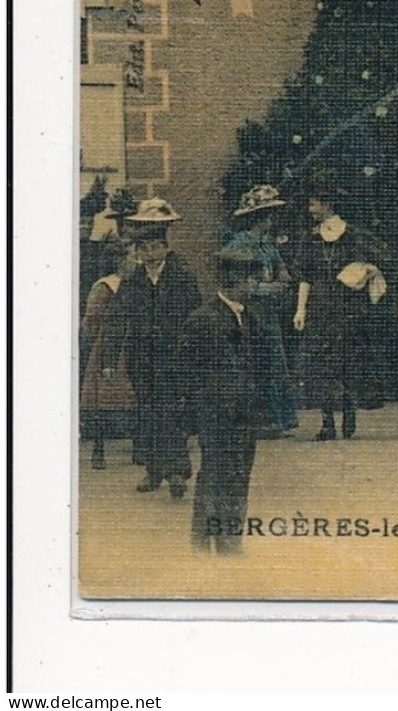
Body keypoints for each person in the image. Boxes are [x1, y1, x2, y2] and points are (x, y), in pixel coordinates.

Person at [179, 247, 270, 554]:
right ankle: (204, 543)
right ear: (234, 281)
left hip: (245, 415)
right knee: (215, 477)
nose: (254, 286)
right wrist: (200, 413)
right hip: (216, 417)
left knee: (239, 477)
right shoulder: (203, 320)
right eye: (250, 280)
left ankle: (231, 541)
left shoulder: (251, 318)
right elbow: (186, 372)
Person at [112, 200, 200, 498]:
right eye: (143, 249)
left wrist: (190, 352)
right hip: (141, 358)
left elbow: (194, 317)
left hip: (173, 357)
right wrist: (112, 360)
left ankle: (177, 472)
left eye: (154, 248)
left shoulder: (182, 276)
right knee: (147, 414)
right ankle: (153, 470)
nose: (149, 254)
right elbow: (119, 318)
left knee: (172, 413)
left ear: (165, 248)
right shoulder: (133, 280)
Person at [293, 182, 385, 442]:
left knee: (348, 360)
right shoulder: (311, 238)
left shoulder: (352, 235)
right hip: (321, 305)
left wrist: (365, 271)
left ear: (327, 204)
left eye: (314, 203)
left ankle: (349, 410)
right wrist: (300, 310)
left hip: (349, 305)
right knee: (322, 363)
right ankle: (327, 421)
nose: (310, 209)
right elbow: (305, 277)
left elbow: (377, 257)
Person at [223, 185, 298, 437]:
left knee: (275, 363)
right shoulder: (239, 244)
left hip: (268, 314)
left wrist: (280, 284)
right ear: (256, 218)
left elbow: (284, 274)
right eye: (267, 215)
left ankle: (277, 419)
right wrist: (267, 288)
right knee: (255, 362)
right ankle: (257, 420)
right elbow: (237, 280)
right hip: (249, 311)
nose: (271, 220)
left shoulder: (268, 245)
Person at [81, 224, 137, 470]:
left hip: (132, 341)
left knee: (134, 396)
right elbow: (91, 320)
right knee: (101, 399)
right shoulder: (105, 286)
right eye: (131, 257)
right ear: (120, 261)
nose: (135, 261)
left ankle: (139, 447)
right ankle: (98, 449)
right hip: (109, 345)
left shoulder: (136, 284)